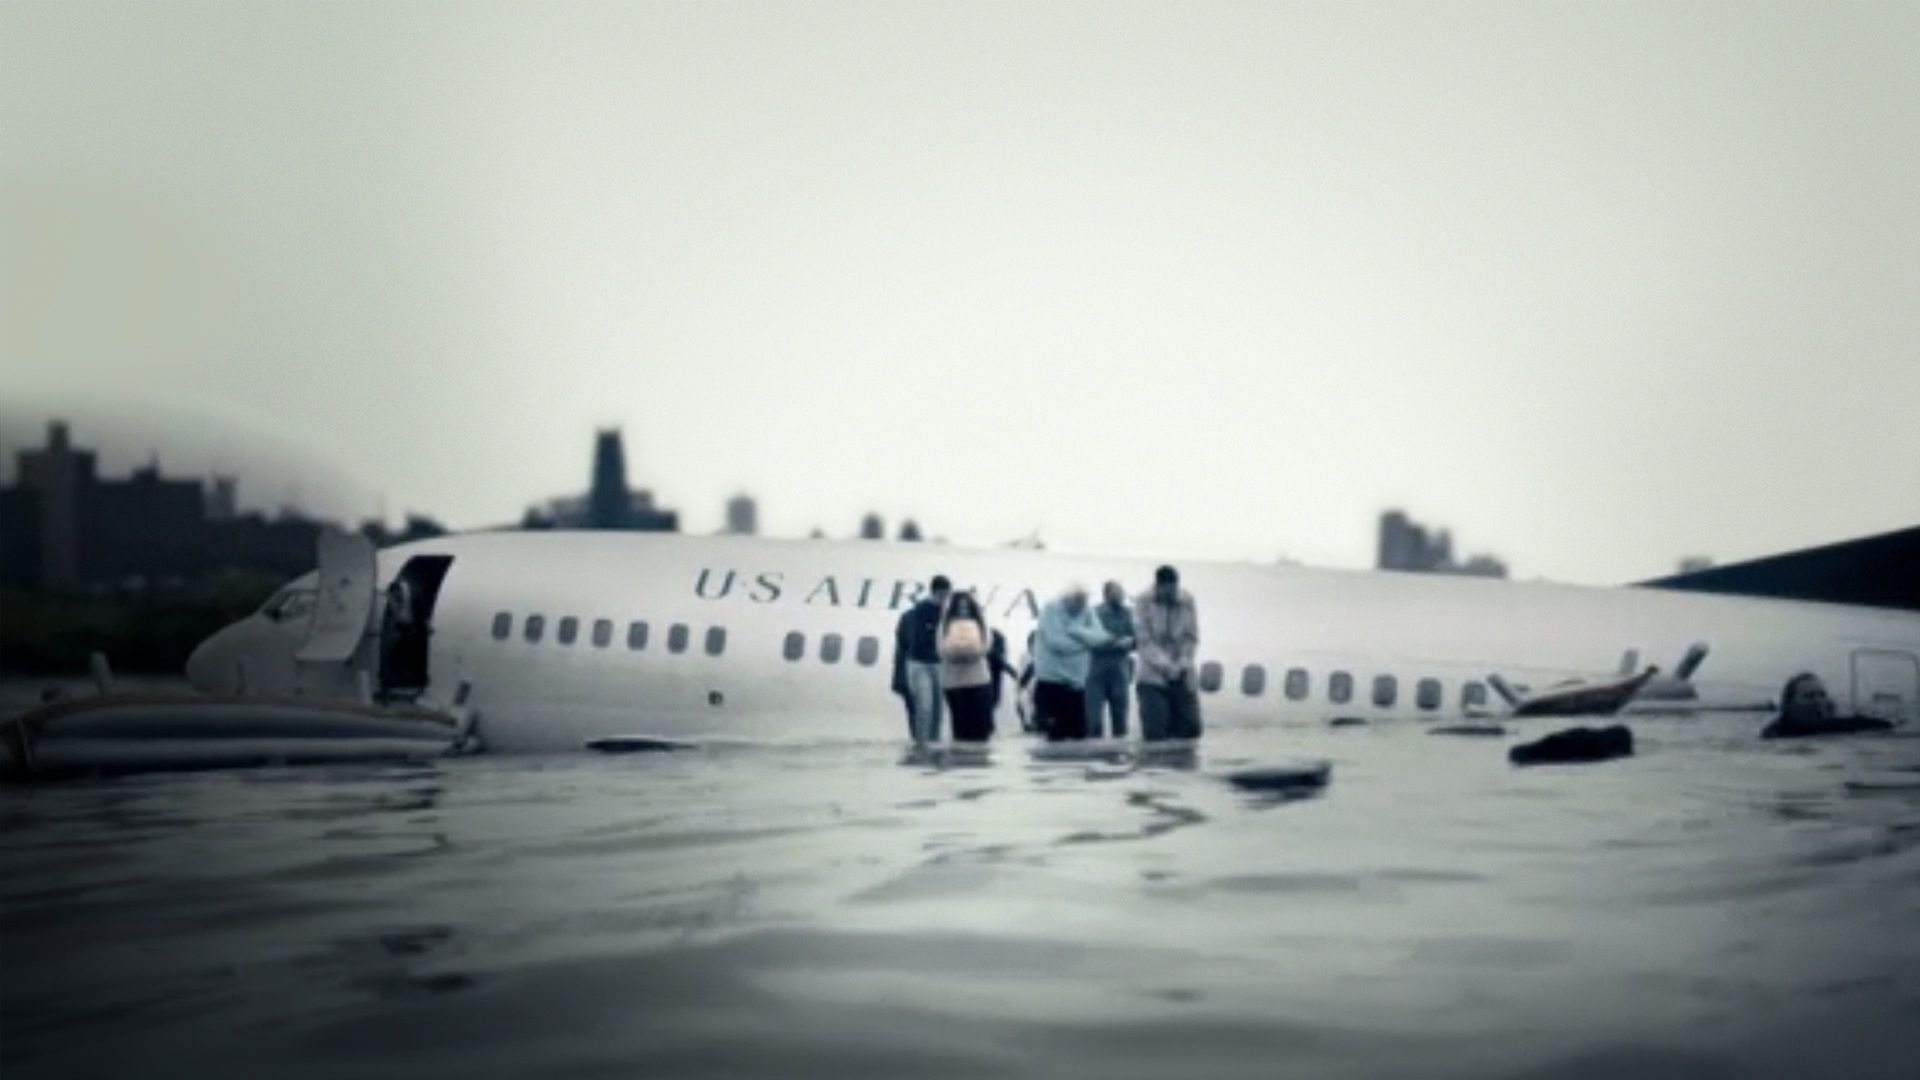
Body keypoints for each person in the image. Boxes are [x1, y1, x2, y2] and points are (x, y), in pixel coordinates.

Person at [1032, 584, 1121, 740]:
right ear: (1066, 599)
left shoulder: (1086, 610)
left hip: (1077, 685)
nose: (1080, 608)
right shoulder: (1051, 609)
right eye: (1077, 602)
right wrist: (1087, 643)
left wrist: (1076, 631)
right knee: (1053, 739)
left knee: (1079, 737)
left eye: (1083, 602)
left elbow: (1101, 636)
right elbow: (1057, 644)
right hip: (1051, 683)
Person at [1136, 565, 1202, 742]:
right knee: (1156, 732)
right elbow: (1144, 641)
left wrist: (1183, 662)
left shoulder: (1187, 600)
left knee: (1191, 729)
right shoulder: (1142, 601)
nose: (1171, 594)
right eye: (1167, 590)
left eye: (1174, 589)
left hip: (1182, 672)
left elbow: (1192, 637)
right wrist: (1166, 666)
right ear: (1158, 586)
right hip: (1152, 675)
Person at [892, 575, 951, 742]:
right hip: (920, 663)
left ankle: (934, 741)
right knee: (924, 707)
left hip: (939, 664)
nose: (945, 599)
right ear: (936, 593)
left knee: (938, 709)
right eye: (943, 595)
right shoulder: (919, 611)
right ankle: (922, 744)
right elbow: (914, 641)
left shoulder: (946, 613)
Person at [1761, 672, 1895, 739]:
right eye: (1809, 696)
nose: (1819, 701)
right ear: (1789, 706)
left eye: (1822, 695)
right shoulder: (1776, 734)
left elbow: (1885, 726)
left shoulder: (1840, 724)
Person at [938, 591, 995, 742]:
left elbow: (986, 646)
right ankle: (963, 762)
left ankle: (978, 761)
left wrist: (970, 654)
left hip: (978, 681)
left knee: (982, 727)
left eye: (966, 607)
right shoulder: (945, 624)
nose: (963, 611)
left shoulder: (980, 623)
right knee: (961, 728)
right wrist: (961, 654)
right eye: (960, 608)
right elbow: (940, 649)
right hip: (955, 683)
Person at [1085, 580, 1136, 739]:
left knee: (1120, 721)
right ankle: (1094, 759)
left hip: (1120, 671)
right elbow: (1089, 640)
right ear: (1106, 594)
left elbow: (1140, 639)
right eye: (1116, 592)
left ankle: (1119, 760)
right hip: (1096, 672)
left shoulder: (1129, 614)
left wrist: (1132, 642)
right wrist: (1116, 642)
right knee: (1093, 723)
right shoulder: (1094, 613)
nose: (1121, 596)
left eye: (1121, 592)